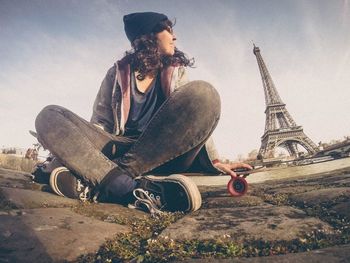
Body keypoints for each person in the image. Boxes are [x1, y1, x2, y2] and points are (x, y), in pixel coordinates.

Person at [34, 12, 252, 214]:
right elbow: (101, 122)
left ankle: (101, 180)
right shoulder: (116, 73)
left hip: (163, 151)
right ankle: (129, 188)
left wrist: (214, 160)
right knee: (48, 115)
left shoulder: (177, 70)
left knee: (204, 93)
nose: (174, 37)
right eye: (168, 30)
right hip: (120, 145)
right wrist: (82, 144)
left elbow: (190, 118)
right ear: (150, 37)